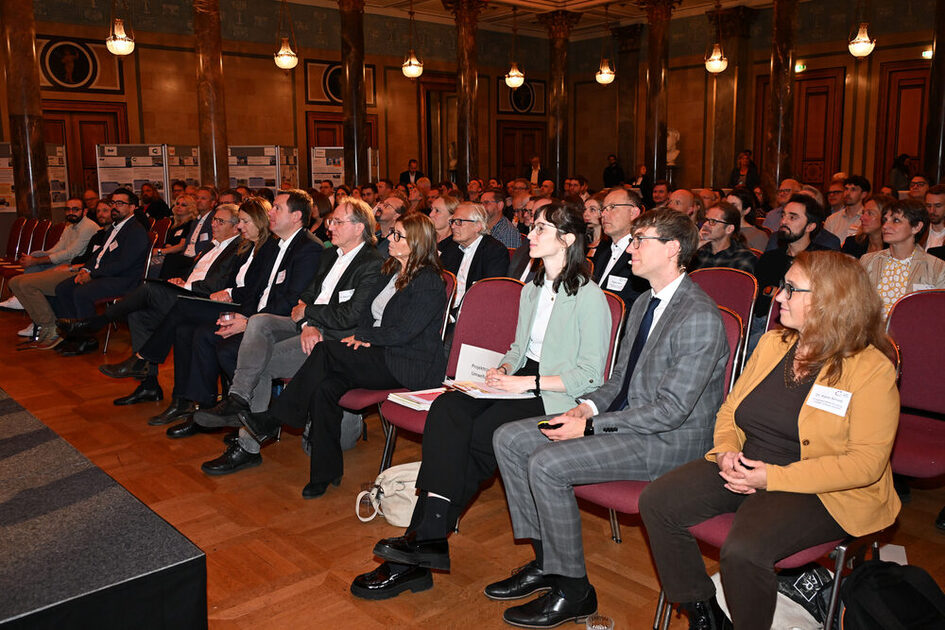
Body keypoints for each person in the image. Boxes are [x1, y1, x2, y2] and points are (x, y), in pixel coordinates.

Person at [349, 200, 611, 602]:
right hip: (521, 383)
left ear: (568, 240)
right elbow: (518, 347)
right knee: (448, 408)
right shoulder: (534, 288)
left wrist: (526, 383)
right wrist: (504, 370)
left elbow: (590, 376)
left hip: (555, 396)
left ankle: (422, 543)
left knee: (484, 433)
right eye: (533, 227)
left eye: (541, 229)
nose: (530, 235)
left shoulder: (589, 298)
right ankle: (426, 542)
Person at [488, 209, 728, 628]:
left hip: (670, 441)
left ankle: (574, 589)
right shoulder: (644, 303)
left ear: (672, 250)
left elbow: (671, 412)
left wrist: (592, 425)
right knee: (510, 439)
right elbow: (619, 377)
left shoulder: (698, 318)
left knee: (547, 464)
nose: (630, 248)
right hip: (631, 421)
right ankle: (549, 562)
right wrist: (588, 407)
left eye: (641, 240)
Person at [639, 250, 901, 630]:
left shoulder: (871, 369)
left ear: (830, 300)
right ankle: (703, 611)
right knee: (658, 501)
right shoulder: (773, 345)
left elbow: (865, 464)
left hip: (821, 488)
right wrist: (726, 450)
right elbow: (731, 410)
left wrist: (771, 478)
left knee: (743, 552)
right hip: (749, 462)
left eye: (791, 289)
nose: (778, 296)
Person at [238, 213, 448, 498]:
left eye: (398, 235)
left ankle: (276, 417)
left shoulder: (428, 281)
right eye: (393, 234)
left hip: (407, 363)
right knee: (325, 388)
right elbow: (365, 315)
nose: (391, 239)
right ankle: (325, 472)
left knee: (325, 351)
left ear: (417, 243)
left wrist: (365, 337)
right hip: (377, 353)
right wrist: (364, 336)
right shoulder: (390, 271)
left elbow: (404, 333)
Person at [197, 199, 385, 474]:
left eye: (338, 222)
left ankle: (248, 441)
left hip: (333, 339)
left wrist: (310, 315)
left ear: (359, 228)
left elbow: (350, 316)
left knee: (259, 361)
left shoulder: (372, 262)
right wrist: (309, 320)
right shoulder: (330, 254)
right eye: (330, 221)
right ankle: (237, 399)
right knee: (259, 322)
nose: (330, 226)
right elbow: (307, 295)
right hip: (308, 326)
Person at [54, 187, 150, 356]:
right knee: (62, 288)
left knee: (81, 293)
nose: (115, 207)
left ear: (133, 207)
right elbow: (99, 253)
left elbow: (124, 264)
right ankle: (73, 335)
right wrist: (85, 269)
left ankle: (88, 339)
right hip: (105, 275)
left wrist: (92, 275)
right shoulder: (115, 227)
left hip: (124, 280)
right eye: (113, 202)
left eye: (120, 203)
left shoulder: (136, 230)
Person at [7, 200, 113, 348]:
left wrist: (70, 267)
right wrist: (38, 258)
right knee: (14, 281)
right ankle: (40, 323)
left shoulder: (97, 230)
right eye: (99, 211)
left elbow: (88, 260)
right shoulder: (98, 235)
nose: (101, 214)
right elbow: (82, 256)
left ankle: (51, 327)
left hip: (80, 272)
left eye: (106, 211)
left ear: (84, 211)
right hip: (73, 266)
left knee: (26, 284)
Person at [861, 198, 945, 319]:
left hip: (914, 334)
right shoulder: (868, 261)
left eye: (895, 220)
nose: (885, 226)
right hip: (873, 335)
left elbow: (938, 316)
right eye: (885, 220)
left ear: (916, 227)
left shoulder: (937, 267)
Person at [691, 201, 757, 274]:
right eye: (706, 220)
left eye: (713, 221)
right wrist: (694, 248)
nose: (705, 224)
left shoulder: (743, 258)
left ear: (729, 229)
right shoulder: (698, 253)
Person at [841, 194, 891, 259]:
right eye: (863, 213)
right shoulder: (851, 244)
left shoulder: (894, 249)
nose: (862, 218)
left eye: (870, 213)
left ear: (885, 218)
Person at [726, 187, 769, 251]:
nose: (728, 209)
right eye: (726, 205)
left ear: (746, 210)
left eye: (734, 206)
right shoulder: (721, 230)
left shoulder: (758, 235)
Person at [583, 193, 604, 259]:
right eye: (584, 210)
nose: (585, 214)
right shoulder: (583, 241)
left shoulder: (609, 244)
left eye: (592, 209)